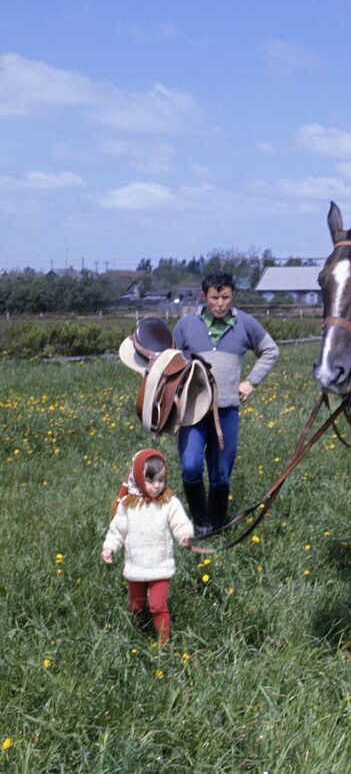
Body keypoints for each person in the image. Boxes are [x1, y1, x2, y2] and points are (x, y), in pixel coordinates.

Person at [173, 271, 279, 534]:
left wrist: (251, 382)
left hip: (227, 410)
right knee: (190, 466)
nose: (220, 303)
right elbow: (170, 359)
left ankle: (217, 526)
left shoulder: (245, 323)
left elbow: (270, 350)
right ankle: (202, 522)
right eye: (214, 297)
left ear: (232, 296)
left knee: (221, 473)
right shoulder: (186, 325)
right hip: (192, 411)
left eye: (225, 297)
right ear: (203, 296)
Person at [101, 448, 193, 644]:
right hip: (136, 565)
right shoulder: (128, 505)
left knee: (157, 605)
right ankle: (133, 631)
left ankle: (163, 644)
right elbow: (117, 529)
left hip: (160, 565)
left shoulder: (169, 502)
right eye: (150, 480)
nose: (157, 486)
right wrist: (109, 547)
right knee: (137, 605)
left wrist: (185, 536)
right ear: (138, 478)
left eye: (161, 479)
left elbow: (180, 522)